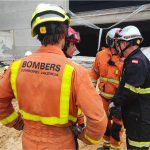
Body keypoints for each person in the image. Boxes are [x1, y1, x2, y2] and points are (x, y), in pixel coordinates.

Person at [0, 3, 107, 150]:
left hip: (29, 142)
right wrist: (85, 137)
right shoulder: (75, 71)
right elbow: (98, 120)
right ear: (64, 34)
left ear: (38, 34)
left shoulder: (16, 67)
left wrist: (18, 123)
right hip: (62, 143)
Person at [108, 25, 150, 150]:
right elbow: (123, 85)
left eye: (119, 43)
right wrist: (115, 101)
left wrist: (115, 103)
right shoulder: (133, 60)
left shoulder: (136, 62)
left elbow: (130, 92)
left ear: (125, 43)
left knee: (137, 146)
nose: (117, 46)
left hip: (139, 116)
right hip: (136, 114)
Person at [90, 28, 124, 150]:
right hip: (103, 99)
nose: (121, 43)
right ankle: (106, 146)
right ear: (112, 41)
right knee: (105, 124)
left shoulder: (125, 58)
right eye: (118, 41)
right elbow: (93, 75)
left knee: (117, 127)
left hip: (118, 101)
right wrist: (92, 94)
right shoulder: (101, 56)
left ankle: (115, 148)